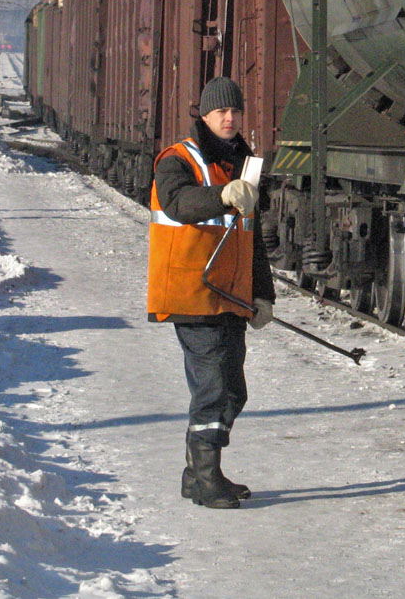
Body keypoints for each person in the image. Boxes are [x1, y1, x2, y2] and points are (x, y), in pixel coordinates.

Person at [147, 76, 276, 509]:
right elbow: (177, 203)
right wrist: (222, 195)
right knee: (213, 388)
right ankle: (206, 479)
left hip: (230, 296)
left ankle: (196, 474)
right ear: (203, 115)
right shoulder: (177, 160)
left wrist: (264, 295)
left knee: (233, 391)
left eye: (236, 111)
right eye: (221, 111)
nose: (230, 117)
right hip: (190, 291)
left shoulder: (242, 165)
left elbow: (250, 239)